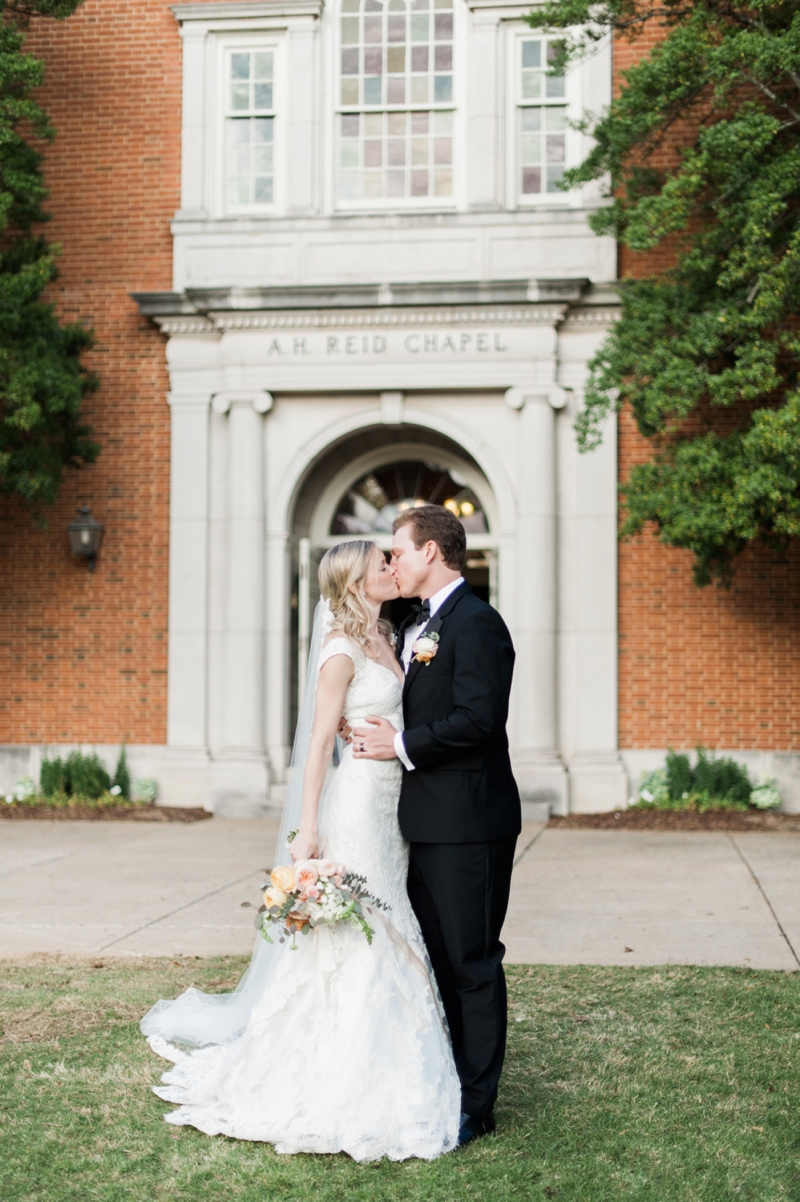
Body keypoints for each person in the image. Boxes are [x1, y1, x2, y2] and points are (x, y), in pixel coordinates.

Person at [140, 540, 461, 1161]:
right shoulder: (341, 650)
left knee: (392, 911)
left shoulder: (389, 638)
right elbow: (319, 745)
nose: (392, 569)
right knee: (368, 922)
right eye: (380, 565)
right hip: (359, 805)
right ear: (354, 582)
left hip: (396, 801)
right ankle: (342, 1066)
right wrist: (308, 828)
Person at [352, 505, 521, 1146]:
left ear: (432, 551)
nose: (392, 563)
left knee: (472, 963)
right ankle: (449, 1078)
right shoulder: (414, 624)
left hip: (470, 825)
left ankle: (477, 1105)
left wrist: (400, 742)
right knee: (438, 963)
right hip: (420, 825)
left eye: (398, 552)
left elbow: (479, 720)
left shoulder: (478, 625)